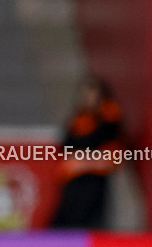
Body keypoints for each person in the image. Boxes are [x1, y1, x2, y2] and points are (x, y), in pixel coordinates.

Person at [51, 75, 122, 228]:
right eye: (84, 92)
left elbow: (98, 139)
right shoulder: (78, 117)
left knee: (89, 218)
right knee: (65, 217)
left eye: (91, 91)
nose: (87, 96)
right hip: (75, 177)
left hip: (95, 176)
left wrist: (82, 154)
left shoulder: (109, 114)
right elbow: (66, 144)